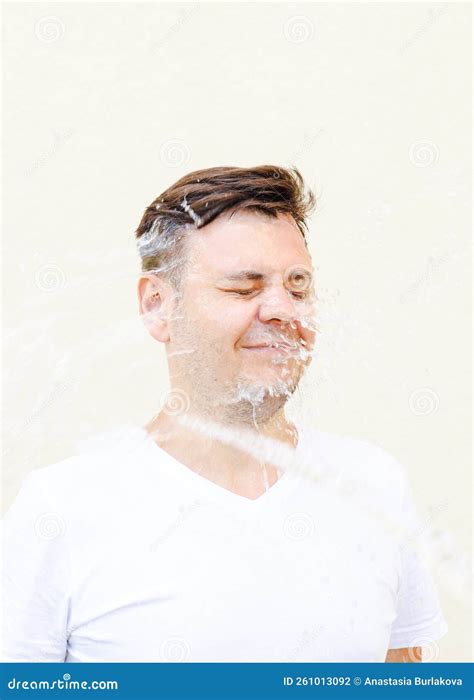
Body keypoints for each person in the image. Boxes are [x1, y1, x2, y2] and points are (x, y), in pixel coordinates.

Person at [1, 165, 447, 662]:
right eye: (244, 288)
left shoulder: (374, 485)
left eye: (298, 287)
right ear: (157, 306)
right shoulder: (61, 509)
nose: (284, 310)